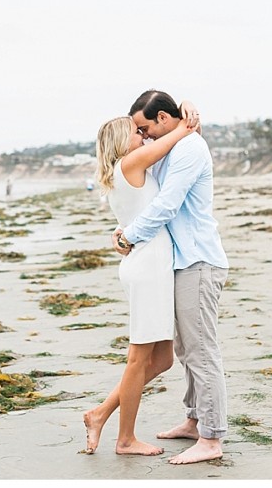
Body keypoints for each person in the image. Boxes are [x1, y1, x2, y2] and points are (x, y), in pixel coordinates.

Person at [114, 90, 229, 465]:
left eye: (145, 128)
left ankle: (211, 438)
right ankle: (194, 420)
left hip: (198, 260)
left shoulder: (189, 149)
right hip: (181, 262)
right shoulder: (171, 145)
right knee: (184, 350)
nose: (143, 136)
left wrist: (131, 235)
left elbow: (168, 204)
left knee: (201, 350)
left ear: (164, 119)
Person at [83, 101, 199, 456]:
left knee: (162, 360)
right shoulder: (129, 163)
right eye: (137, 132)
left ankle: (101, 413)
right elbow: (178, 135)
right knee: (138, 358)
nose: (144, 134)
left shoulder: (126, 169)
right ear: (123, 142)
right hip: (147, 269)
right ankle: (125, 439)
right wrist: (186, 117)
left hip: (151, 266)